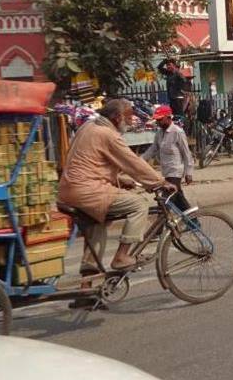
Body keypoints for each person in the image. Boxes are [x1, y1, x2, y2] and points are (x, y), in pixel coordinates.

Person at [58, 99, 177, 274]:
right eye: (128, 117)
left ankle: (88, 281)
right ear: (117, 117)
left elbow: (91, 164)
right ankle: (121, 257)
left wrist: (119, 180)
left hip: (68, 189)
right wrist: (160, 182)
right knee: (139, 204)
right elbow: (133, 163)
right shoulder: (108, 135)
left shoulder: (88, 126)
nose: (130, 121)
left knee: (98, 224)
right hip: (88, 190)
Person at [141, 105, 196, 213]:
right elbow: (153, 149)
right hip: (166, 172)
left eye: (160, 119)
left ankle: (161, 223)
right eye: (157, 120)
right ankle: (192, 219)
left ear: (168, 117)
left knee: (165, 201)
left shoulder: (177, 132)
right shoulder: (159, 133)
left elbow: (186, 153)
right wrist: (140, 160)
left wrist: (188, 172)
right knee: (178, 199)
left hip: (175, 172)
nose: (158, 122)